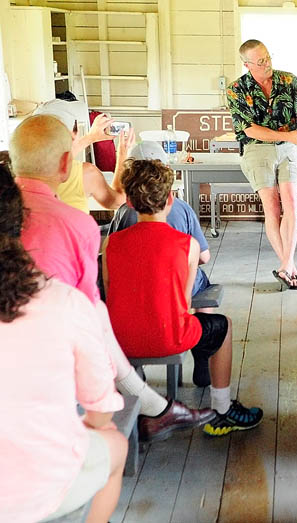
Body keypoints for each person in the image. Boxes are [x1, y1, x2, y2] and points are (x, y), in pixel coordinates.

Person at [11, 115, 213, 443]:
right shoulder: (75, 226)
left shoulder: (107, 236)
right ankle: (147, 405)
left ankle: (153, 405)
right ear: (66, 163)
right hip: (54, 351)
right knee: (95, 313)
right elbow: (86, 310)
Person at [0, 163, 128, 523]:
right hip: (37, 489)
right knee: (115, 445)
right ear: (20, 223)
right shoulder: (61, 301)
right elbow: (100, 410)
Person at [103, 159, 264, 437]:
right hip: (170, 336)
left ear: (128, 201)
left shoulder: (112, 243)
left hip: (118, 340)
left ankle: (139, 397)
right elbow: (185, 299)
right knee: (222, 328)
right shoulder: (187, 245)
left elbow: (109, 290)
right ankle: (222, 409)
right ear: (169, 199)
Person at [227, 39, 297, 290]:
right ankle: (290, 266)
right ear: (247, 64)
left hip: (288, 147)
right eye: (261, 61)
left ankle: (287, 265)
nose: (267, 64)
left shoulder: (289, 80)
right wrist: (289, 136)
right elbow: (251, 130)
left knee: (291, 201)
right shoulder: (236, 90)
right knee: (271, 206)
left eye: (268, 57)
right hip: (256, 148)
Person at [109, 146, 213, 301]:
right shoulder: (185, 216)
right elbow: (204, 258)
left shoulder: (122, 215)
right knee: (202, 281)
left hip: (134, 290)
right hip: (175, 289)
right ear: (169, 197)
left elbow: (111, 265)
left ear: (129, 200)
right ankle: (202, 322)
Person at [34, 100, 134, 213]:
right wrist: (122, 152)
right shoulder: (86, 173)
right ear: (74, 133)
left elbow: (57, 160)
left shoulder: (21, 171)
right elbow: (118, 201)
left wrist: (91, 137)